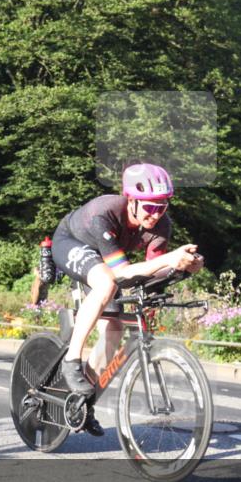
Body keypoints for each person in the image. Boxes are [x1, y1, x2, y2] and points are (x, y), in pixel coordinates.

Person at [51, 163, 204, 436]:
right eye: (149, 206)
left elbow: (152, 272)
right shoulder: (104, 212)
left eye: (162, 206)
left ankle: (82, 404)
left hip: (105, 258)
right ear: (131, 200)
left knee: (115, 331)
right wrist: (171, 259)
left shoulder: (161, 226)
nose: (155, 214)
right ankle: (72, 359)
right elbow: (120, 273)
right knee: (106, 282)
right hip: (73, 242)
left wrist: (183, 268)